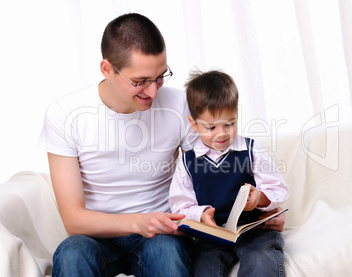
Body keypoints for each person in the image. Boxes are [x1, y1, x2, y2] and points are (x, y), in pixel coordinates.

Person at [39, 13, 286, 276]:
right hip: (96, 237)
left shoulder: (179, 105)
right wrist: (139, 222)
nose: (154, 92)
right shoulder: (65, 114)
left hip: (162, 236)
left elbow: (211, 172)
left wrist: (258, 210)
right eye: (140, 81)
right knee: (71, 253)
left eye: (160, 77)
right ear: (107, 69)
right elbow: (73, 219)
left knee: (167, 253)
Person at [169, 70, 289, 277]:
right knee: (204, 269)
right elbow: (180, 206)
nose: (222, 133)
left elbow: (277, 188)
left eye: (229, 124)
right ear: (193, 124)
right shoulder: (188, 162)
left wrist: (260, 198)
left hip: (253, 231)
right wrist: (200, 214)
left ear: (237, 115)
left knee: (261, 260)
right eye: (211, 127)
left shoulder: (251, 150)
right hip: (212, 236)